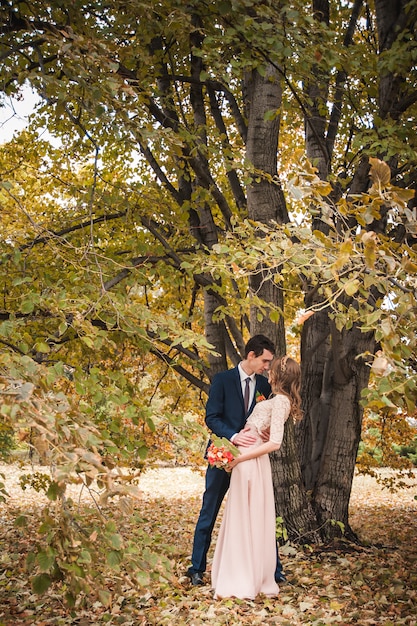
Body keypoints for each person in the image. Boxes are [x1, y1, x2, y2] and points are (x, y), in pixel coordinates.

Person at [186, 334, 286, 586]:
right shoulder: (222, 380)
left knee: (259, 512)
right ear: (251, 355)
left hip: (252, 461)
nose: (267, 366)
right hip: (223, 455)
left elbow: (266, 418)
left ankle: (274, 570)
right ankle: (196, 567)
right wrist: (233, 436)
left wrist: (262, 432)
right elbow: (212, 418)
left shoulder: (264, 386)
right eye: (264, 360)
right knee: (209, 510)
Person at [211, 355, 303, 600]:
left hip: (249, 460)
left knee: (247, 516)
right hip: (247, 456)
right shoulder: (277, 400)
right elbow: (267, 431)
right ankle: (238, 571)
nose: (267, 373)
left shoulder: (281, 401)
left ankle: (245, 576)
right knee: (242, 515)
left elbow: (275, 443)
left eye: (270, 370)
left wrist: (240, 458)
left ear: (278, 376)